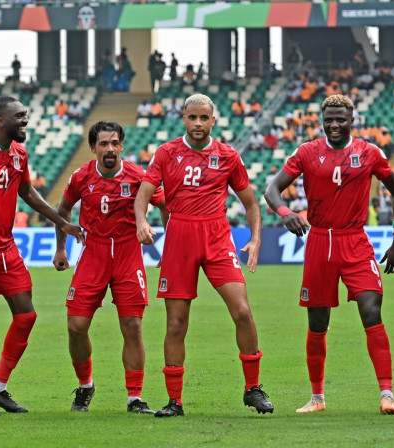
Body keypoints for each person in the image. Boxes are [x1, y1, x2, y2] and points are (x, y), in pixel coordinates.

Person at [264, 94, 394, 415]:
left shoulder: (369, 153)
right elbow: (272, 189)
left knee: (372, 311)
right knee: (317, 323)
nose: (334, 125)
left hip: (355, 241)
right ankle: (317, 398)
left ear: (352, 120)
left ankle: (387, 393)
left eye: (341, 119)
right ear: (321, 120)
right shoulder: (307, 152)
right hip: (320, 241)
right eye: (329, 119)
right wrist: (285, 211)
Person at [134, 93, 273, 417]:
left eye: (203, 118)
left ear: (213, 120)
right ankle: (174, 401)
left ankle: (253, 388)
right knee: (177, 323)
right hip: (180, 238)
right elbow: (143, 195)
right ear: (183, 118)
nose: (198, 123)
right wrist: (142, 221)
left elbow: (251, 204)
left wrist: (255, 238)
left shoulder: (227, 156)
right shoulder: (167, 153)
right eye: (192, 117)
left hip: (216, 236)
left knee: (241, 310)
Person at [0, 96, 84, 415]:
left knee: (26, 316)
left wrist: (60, 221)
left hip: (6, 246)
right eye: (20, 116)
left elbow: (27, 191)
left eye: (26, 114)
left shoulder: (19, 152)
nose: (26, 120)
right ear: (0, 121)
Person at [54, 121, 168, 414]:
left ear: (122, 146)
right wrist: (61, 247)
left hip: (128, 254)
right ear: (93, 148)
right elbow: (62, 210)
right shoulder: (81, 177)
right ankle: (86, 385)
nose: (110, 149)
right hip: (94, 254)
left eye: (114, 143)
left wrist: (169, 247)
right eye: (103, 144)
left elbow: (164, 204)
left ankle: (135, 398)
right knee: (76, 326)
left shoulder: (138, 176)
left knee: (132, 326)